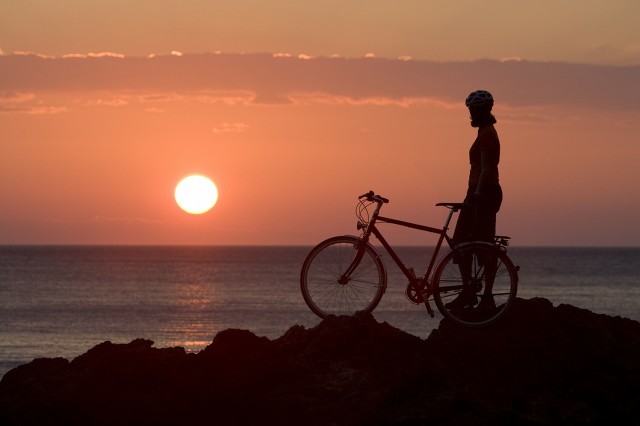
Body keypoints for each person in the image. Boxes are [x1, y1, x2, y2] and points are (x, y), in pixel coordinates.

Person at [446, 89, 503, 311]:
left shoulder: (488, 133)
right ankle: (469, 290)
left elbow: (488, 166)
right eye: (469, 110)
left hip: (484, 192)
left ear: (483, 110)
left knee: (480, 244)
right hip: (477, 191)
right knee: (463, 242)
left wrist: (477, 194)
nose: (470, 114)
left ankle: (485, 296)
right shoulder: (483, 132)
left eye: (473, 110)